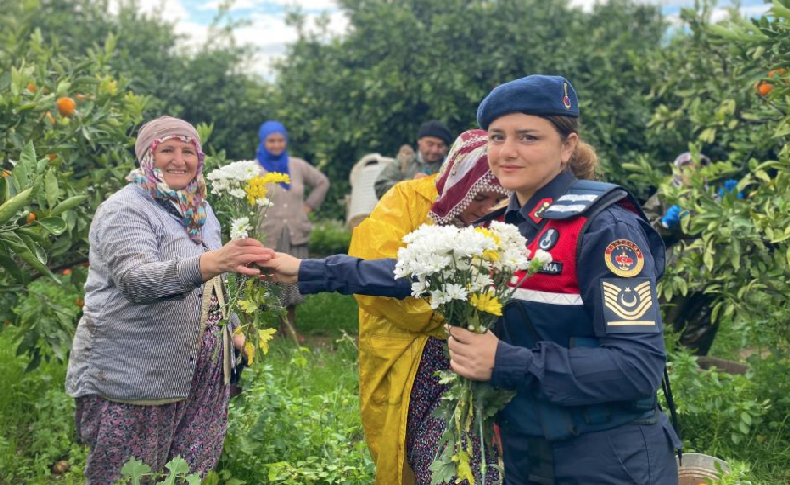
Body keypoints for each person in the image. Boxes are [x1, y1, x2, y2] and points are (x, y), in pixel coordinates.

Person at [444, 75, 682, 484]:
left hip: (608, 459)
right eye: (497, 137)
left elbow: (637, 366)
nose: (508, 152)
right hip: (529, 456)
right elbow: (413, 269)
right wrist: (307, 271)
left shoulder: (607, 228)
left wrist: (507, 361)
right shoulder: (507, 225)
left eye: (529, 137)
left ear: (567, 146)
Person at [263, 129, 509, 485]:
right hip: (409, 360)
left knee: (465, 463)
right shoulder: (407, 198)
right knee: (413, 454)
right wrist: (450, 313)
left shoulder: (504, 222)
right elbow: (379, 273)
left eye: (497, 200)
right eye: (480, 197)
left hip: (477, 366)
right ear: (459, 181)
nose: (486, 209)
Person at [65, 116, 275, 484]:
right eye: (167, 150)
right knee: (128, 475)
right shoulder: (126, 209)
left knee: (186, 474)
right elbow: (135, 280)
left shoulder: (200, 210)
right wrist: (212, 261)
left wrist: (234, 330)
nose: (179, 160)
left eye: (188, 151)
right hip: (139, 377)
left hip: (204, 373)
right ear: (148, 156)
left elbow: (216, 281)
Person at [255, 120, 330, 342]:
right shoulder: (254, 169)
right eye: (271, 140)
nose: (276, 145)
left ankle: (290, 327)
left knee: (293, 279)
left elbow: (322, 182)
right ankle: (264, 330)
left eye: (280, 140)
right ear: (263, 142)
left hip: (295, 232)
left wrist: (308, 207)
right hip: (268, 234)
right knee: (266, 282)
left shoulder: (296, 165)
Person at [643, 152, 720, 355]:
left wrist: (734, 208)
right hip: (674, 270)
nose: (693, 173)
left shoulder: (713, 200)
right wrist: (665, 224)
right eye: (687, 168)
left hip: (708, 273)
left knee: (701, 325)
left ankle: (689, 371)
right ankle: (659, 370)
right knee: (667, 321)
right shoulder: (664, 197)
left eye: (699, 169)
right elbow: (642, 232)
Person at [374, 120, 452, 199]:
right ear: (419, 141)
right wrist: (411, 185)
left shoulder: (451, 167)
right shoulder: (404, 161)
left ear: (446, 148)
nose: (434, 150)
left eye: (440, 146)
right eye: (430, 144)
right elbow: (380, 187)